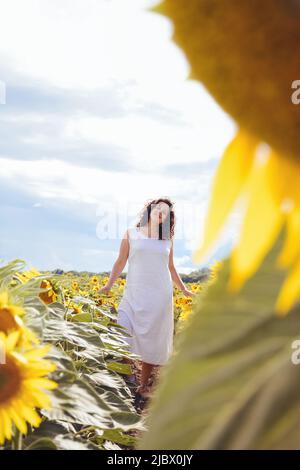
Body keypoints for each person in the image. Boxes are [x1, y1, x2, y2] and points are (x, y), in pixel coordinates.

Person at [98, 197, 195, 403]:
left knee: (152, 340)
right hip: (133, 293)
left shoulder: (167, 240)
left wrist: (184, 289)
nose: (161, 212)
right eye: (159, 208)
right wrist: (109, 285)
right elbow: (121, 261)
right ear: (150, 209)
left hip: (159, 295)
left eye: (166, 212)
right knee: (121, 333)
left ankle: (142, 387)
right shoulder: (131, 234)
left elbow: (171, 267)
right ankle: (130, 377)